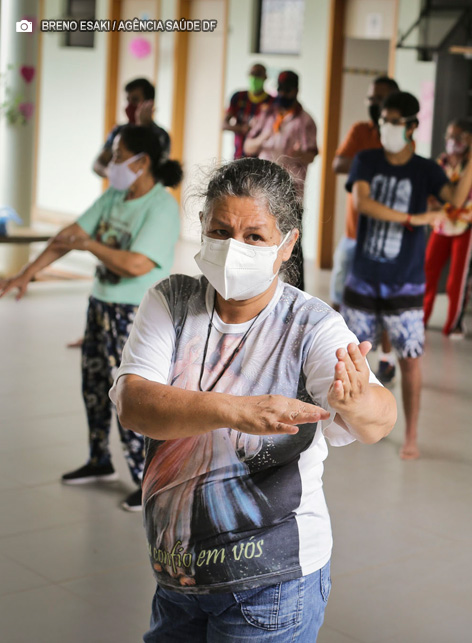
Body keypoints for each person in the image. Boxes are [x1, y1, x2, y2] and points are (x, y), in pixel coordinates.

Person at [109, 157, 396, 640]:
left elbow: (380, 419)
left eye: (254, 236)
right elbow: (135, 405)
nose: (233, 248)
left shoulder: (311, 324)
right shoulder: (171, 302)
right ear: (202, 228)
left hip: (271, 586)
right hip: (177, 576)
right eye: (220, 231)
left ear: (287, 245)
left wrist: (355, 401)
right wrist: (239, 411)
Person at [0, 126, 182, 512]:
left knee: (132, 394)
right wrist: (26, 273)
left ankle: (147, 479)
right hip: (100, 306)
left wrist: (91, 245)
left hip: (135, 313)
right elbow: (69, 236)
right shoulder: (114, 197)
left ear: (142, 162)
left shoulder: (161, 207)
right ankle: (99, 459)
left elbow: (137, 264)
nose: (111, 163)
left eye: (118, 156)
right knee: (95, 385)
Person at [341, 91, 472, 460]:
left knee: (410, 361)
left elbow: (455, 200)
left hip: (406, 282)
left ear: (411, 127)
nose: (387, 128)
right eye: (384, 120)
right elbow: (363, 203)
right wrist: (415, 218)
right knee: (350, 358)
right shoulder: (367, 160)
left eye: (394, 122)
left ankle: (410, 435)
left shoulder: (425, 169)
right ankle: (350, 423)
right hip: (363, 278)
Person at [331, 76, 400, 382]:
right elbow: (338, 164)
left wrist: (364, 165)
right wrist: (374, 165)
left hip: (387, 238)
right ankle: (331, 349)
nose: (374, 104)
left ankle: (386, 358)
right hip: (354, 233)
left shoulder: (401, 137)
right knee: (339, 295)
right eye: (371, 99)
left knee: (384, 302)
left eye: (380, 99)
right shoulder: (361, 131)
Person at [244, 70, 317, 291]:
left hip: (291, 194)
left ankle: (295, 294)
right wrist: (263, 138)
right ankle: (255, 288)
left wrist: (298, 153)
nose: (283, 94)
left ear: (296, 90)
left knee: (292, 248)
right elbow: (248, 146)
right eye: (280, 89)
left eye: (288, 90)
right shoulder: (267, 114)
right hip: (260, 192)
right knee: (257, 241)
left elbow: (311, 155)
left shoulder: (305, 120)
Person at [423, 118, 472, 338]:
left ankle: (454, 324)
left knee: (457, 279)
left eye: (458, 137)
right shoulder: (440, 163)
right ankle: (421, 318)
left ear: (468, 139)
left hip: (466, 225)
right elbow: (432, 193)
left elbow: (464, 190)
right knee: (428, 271)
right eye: (449, 136)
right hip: (441, 224)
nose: (452, 141)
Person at [93, 78, 170, 178]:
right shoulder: (119, 131)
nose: (129, 106)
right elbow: (98, 164)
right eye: (127, 100)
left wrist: (142, 128)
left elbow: (156, 173)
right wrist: (111, 173)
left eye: (134, 100)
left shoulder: (160, 136)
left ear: (149, 103)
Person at [222, 62, 275, 160]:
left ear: (265, 77)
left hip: (263, 157)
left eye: (258, 75)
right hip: (239, 155)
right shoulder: (238, 97)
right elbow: (224, 125)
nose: (254, 78)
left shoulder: (272, 103)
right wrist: (241, 128)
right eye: (252, 74)